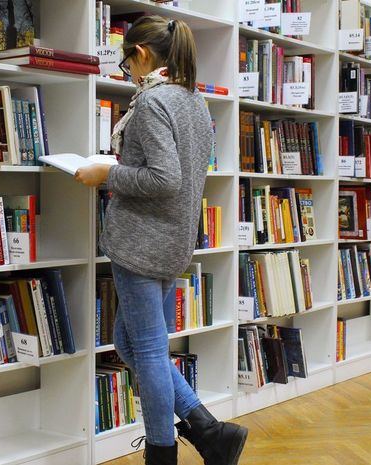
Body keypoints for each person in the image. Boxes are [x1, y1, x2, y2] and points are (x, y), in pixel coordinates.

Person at [75, 15, 248, 465]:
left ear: (144, 55)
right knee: (131, 344)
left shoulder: (153, 103)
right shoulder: (192, 99)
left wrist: (105, 173)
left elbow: (164, 178)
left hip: (141, 242)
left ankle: (162, 451)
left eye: (125, 59)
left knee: (147, 350)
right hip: (172, 241)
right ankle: (209, 431)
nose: (124, 69)